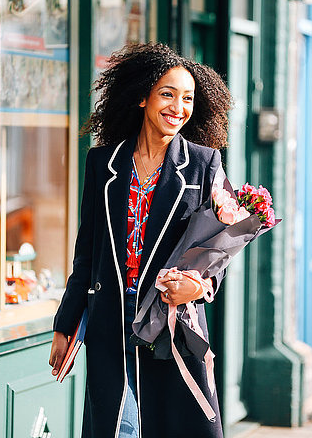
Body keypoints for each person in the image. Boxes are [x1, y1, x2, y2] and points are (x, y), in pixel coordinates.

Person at [49, 43, 232, 438]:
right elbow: (87, 253)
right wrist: (66, 325)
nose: (178, 107)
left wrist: (198, 285)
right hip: (108, 324)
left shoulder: (204, 163)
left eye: (187, 98)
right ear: (143, 96)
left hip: (169, 327)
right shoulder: (103, 163)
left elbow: (220, 247)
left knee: (172, 425)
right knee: (117, 426)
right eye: (167, 94)